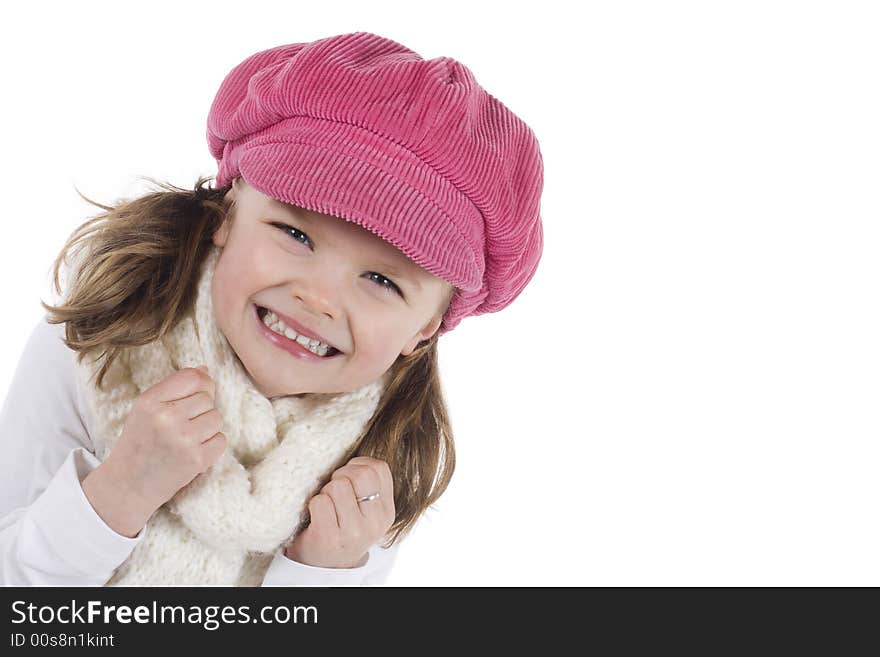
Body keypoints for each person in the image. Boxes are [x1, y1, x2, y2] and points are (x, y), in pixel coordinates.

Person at [0, 30, 544, 586]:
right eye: (294, 233)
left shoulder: (379, 460)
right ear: (227, 212)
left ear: (426, 328)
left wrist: (321, 572)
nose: (318, 297)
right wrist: (118, 491)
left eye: (381, 279)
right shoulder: (98, 346)